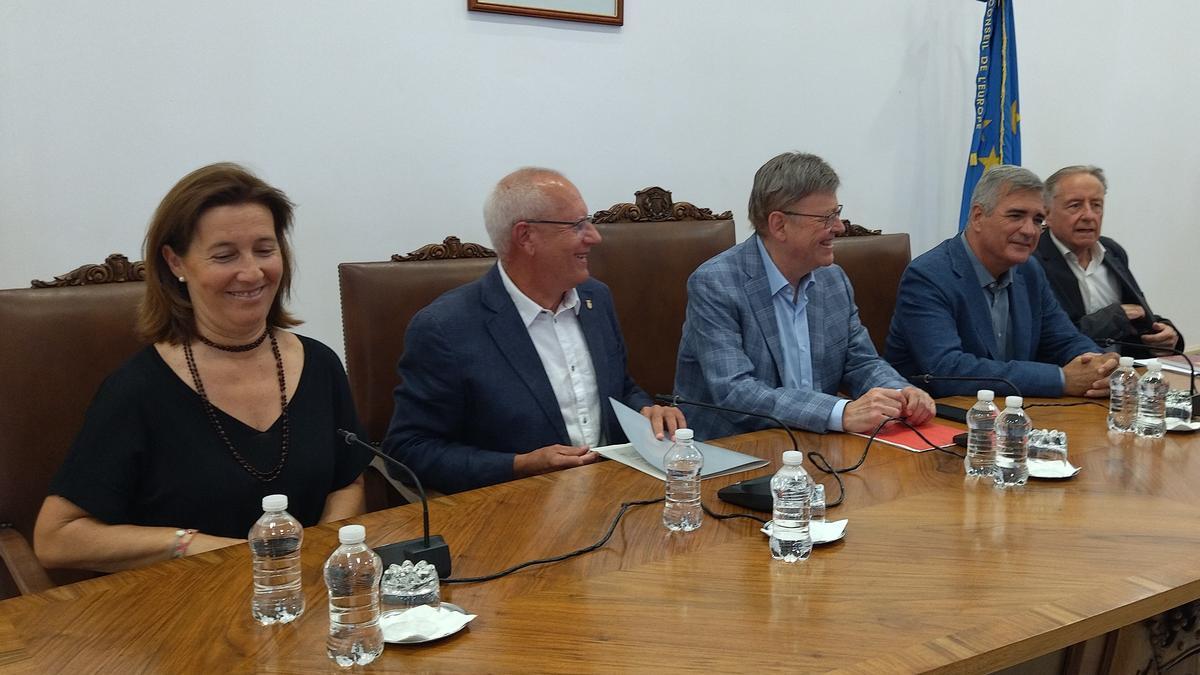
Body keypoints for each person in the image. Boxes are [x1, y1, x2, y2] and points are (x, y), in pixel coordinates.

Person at [34, 163, 371, 573]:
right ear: (176, 262)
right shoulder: (138, 389)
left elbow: (347, 481)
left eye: (265, 250)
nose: (251, 272)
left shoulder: (319, 363)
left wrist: (323, 553)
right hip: (186, 609)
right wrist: (195, 546)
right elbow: (56, 537)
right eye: (225, 255)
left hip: (309, 599)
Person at [383, 167, 685, 494]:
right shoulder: (445, 328)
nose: (595, 237)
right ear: (526, 236)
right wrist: (519, 465)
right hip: (514, 508)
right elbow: (407, 450)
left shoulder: (596, 298)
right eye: (577, 225)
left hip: (614, 495)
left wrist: (646, 412)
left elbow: (619, 387)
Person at [673, 152, 934, 440]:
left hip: (815, 446)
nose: (839, 227)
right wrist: (840, 412)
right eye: (825, 218)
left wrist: (900, 394)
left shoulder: (833, 279)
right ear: (779, 225)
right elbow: (735, 391)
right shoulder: (716, 283)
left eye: (837, 213)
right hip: (735, 451)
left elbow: (860, 362)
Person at [885, 165, 1117, 398]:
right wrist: (1061, 379)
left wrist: (1099, 365)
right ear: (978, 216)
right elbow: (947, 370)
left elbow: (1063, 339)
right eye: (1016, 216)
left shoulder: (1029, 270)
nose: (1029, 230)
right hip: (936, 418)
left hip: (1013, 416)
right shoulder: (928, 276)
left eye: (1038, 220)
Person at [1034, 165, 1183, 359]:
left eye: (1096, 205)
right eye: (1075, 205)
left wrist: (1166, 335)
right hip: (1065, 379)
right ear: (1047, 213)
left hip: (1124, 376)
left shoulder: (1112, 252)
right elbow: (1050, 340)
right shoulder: (1032, 261)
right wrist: (1115, 317)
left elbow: (1138, 315)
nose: (1088, 215)